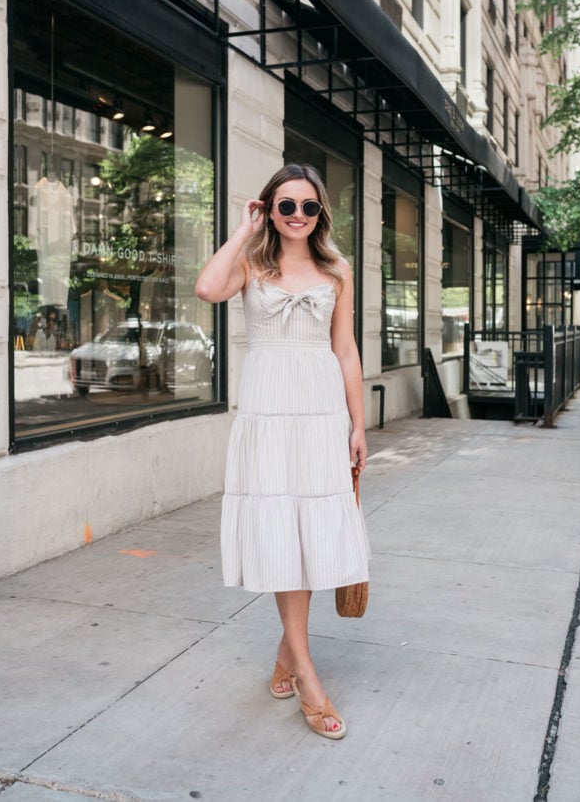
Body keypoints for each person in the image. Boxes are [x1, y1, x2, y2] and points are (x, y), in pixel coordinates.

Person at [195, 163, 370, 740]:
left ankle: (287, 655)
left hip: (321, 412)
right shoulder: (252, 261)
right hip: (269, 411)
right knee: (279, 530)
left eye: (309, 206)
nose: (298, 215)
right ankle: (307, 675)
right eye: (285, 205)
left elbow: (344, 351)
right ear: (269, 208)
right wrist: (243, 229)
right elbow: (207, 288)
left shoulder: (336, 269)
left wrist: (358, 425)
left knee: (311, 532)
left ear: (322, 212)